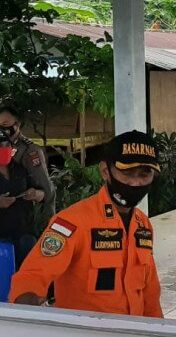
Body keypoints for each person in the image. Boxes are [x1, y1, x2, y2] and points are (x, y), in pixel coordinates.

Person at [9, 131, 163, 318]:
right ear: (106, 171)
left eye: (144, 175)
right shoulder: (72, 222)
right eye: (127, 173)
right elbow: (32, 276)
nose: (136, 182)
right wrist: (27, 315)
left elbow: (150, 295)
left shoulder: (143, 225)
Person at [0, 105, 55, 217]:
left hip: (23, 216)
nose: (2, 130)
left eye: (5, 125)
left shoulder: (30, 151)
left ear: (18, 124)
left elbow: (45, 189)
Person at [0, 140, 40, 268]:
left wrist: (34, 193)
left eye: (7, 145)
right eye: (0, 146)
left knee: (28, 264)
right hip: (2, 234)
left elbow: (38, 191)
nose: (4, 149)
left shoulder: (20, 169)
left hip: (23, 230)